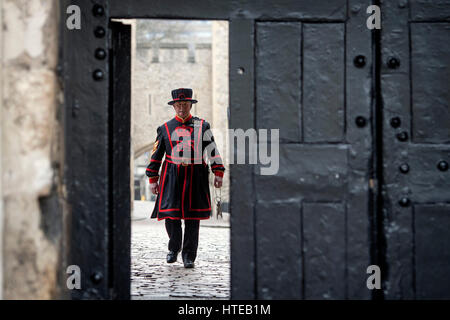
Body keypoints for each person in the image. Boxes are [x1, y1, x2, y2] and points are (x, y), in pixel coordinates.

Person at [146, 88, 225, 268]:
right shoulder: (165, 128)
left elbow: (212, 151)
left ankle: (189, 255)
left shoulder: (203, 126)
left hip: (195, 176)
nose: (181, 108)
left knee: (192, 219)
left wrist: (218, 172)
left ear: (190, 105)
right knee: (171, 216)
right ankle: (174, 249)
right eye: (178, 105)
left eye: (185, 104)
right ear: (174, 106)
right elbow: (156, 155)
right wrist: (153, 178)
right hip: (171, 176)